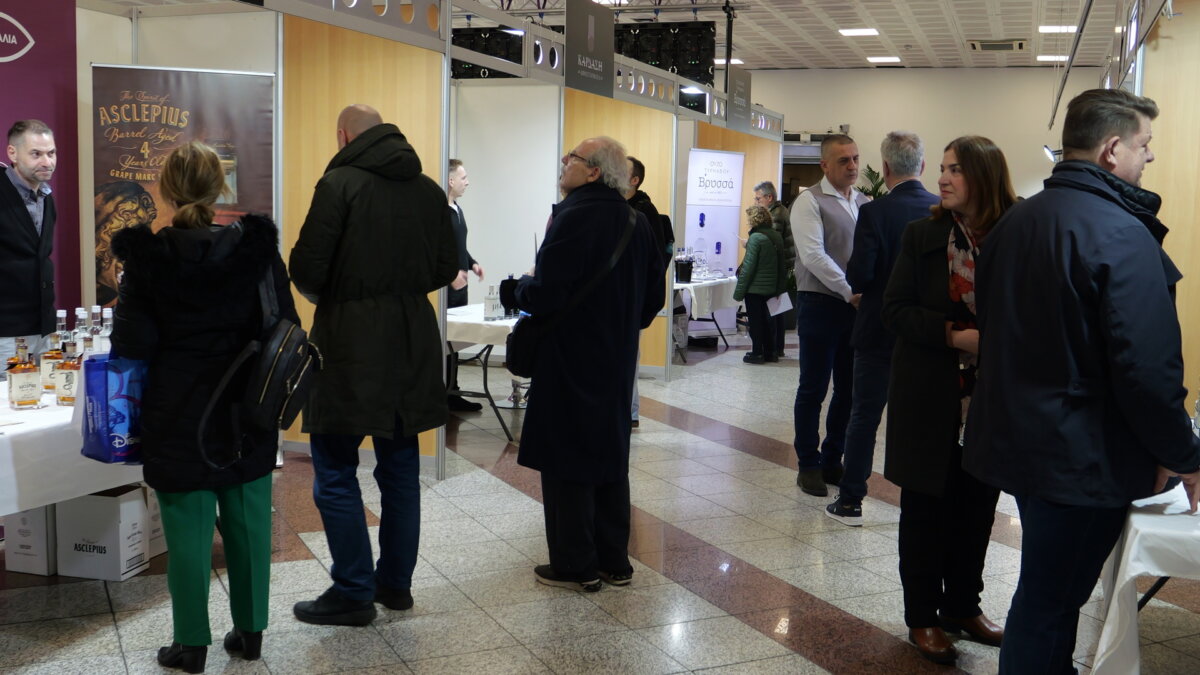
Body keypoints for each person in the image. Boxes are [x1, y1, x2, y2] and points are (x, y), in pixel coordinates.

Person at [964, 89, 1200, 674]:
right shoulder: (1122, 232)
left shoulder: (1014, 223)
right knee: (1049, 601)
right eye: (1144, 145)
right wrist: (1185, 455)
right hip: (1081, 458)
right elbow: (1146, 370)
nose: (1149, 157)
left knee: (1047, 593)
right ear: (1112, 148)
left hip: (1022, 443)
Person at [111, 141, 296, 673]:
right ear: (220, 188)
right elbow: (285, 324)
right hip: (247, 407)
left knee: (187, 535)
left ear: (166, 191)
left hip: (177, 413)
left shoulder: (147, 260)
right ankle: (251, 633)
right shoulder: (256, 251)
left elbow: (132, 347)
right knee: (250, 525)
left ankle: (190, 644)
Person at [289, 105, 458, 625]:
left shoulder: (339, 184)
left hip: (349, 339)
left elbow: (306, 266)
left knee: (335, 468)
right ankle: (395, 585)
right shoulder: (428, 189)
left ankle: (353, 590)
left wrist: (338, 297)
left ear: (343, 135)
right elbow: (446, 266)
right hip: (412, 337)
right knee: (401, 468)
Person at [881, 135, 1017, 665]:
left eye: (955, 169)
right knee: (925, 510)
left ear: (984, 175)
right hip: (930, 394)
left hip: (990, 398)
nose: (942, 178)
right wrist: (954, 335)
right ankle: (922, 616)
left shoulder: (1015, 235)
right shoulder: (924, 234)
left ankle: (963, 607)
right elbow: (895, 310)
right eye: (941, 167)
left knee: (978, 508)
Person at [515, 136, 663, 591]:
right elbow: (653, 300)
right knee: (610, 457)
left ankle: (575, 565)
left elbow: (546, 293)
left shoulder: (573, 216)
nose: (565, 162)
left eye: (573, 158)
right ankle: (614, 561)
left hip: (569, 358)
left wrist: (515, 288)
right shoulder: (637, 221)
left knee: (566, 459)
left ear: (594, 171)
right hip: (617, 360)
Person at [826, 131, 939, 526]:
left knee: (864, 417)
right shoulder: (941, 210)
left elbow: (859, 275)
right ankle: (923, 502)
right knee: (924, 420)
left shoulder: (874, 213)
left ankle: (851, 500)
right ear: (922, 165)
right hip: (926, 335)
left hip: (878, 330)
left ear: (886, 168)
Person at [790, 134, 867, 496]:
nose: (852, 166)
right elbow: (813, 256)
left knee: (848, 390)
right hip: (820, 303)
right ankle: (808, 464)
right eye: (843, 160)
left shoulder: (863, 202)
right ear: (824, 165)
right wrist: (849, 291)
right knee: (814, 387)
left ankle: (832, 459)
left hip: (854, 307)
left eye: (855, 158)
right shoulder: (809, 201)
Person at [1, 120, 57, 364]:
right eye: (36, 154)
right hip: (6, 334)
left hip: (44, 328)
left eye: (51, 153)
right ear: (12, 153)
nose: (47, 162)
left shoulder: (47, 197)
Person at [624, 155, 662, 428]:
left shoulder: (644, 212)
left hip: (631, 300)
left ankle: (630, 413)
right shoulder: (618, 207)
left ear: (635, 180)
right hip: (625, 300)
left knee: (629, 359)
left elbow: (655, 262)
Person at [445, 158, 484, 413]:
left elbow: (459, 247)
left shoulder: (457, 209)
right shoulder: (440, 211)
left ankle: (453, 391)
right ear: (451, 180)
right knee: (445, 343)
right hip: (446, 290)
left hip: (461, 289)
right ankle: (442, 393)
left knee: (455, 342)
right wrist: (450, 275)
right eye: (463, 177)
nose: (467, 182)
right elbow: (437, 249)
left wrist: (472, 263)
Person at [732, 204, 785, 364]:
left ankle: (757, 353)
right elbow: (781, 265)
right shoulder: (776, 236)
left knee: (756, 322)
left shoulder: (755, 238)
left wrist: (738, 292)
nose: (747, 222)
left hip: (755, 289)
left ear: (754, 220)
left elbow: (748, 267)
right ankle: (771, 352)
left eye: (749, 219)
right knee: (769, 322)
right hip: (772, 288)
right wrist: (780, 288)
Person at [753, 180, 795, 357]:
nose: (756, 203)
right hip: (783, 266)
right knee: (778, 309)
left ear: (769, 197)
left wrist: (751, 243)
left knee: (775, 310)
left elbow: (771, 243)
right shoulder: (780, 210)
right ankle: (777, 348)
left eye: (758, 199)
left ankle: (774, 348)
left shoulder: (775, 214)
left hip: (778, 268)